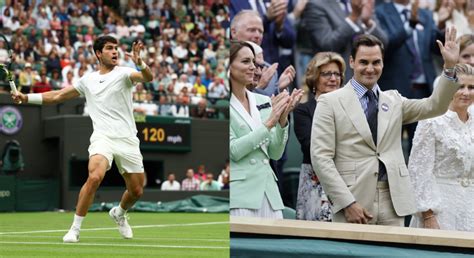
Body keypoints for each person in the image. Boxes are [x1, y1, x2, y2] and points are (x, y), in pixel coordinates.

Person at [11, 35, 153, 242]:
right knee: (95, 176)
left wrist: (140, 63)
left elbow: (148, 78)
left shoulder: (125, 74)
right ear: (98, 53)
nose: (115, 52)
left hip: (127, 139)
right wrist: (26, 97)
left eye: (116, 48)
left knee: (137, 191)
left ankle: (119, 213)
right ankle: (75, 229)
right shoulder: (88, 80)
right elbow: (58, 95)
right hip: (103, 137)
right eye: (109, 48)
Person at [311, 29, 460, 225]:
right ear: (352, 62)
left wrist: (449, 67)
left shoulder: (394, 100)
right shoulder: (329, 102)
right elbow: (321, 157)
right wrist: (346, 203)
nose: (370, 68)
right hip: (353, 201)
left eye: (376, 62)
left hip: (393, 201)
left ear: (383, 63)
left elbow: (435, 106)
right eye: (364, 62)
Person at [229, 40, 303, 218]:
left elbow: (275, 154)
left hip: (269, 195)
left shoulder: (262, 101)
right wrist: (270, 122)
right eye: (246, 61)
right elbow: (234, 151)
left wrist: (282, 120)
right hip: (239, 196)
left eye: (253, 62)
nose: (253, 67)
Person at [408, 65, 473, 231]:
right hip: (441, 210)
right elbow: (418, 171)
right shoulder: (431, 121)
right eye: (460, 87)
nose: (466, 92)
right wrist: (428, 215)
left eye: (471, 87)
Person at [294, 52, 346, 221]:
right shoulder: (303, 110)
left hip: (347, 180)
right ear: (315, 78)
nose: (333, 78)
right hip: (315, 183)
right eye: (326, 74)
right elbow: (311, 147)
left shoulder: (350, 109)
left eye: (337, 74)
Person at [300, 0, 388, 82]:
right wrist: (353, 17)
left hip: (366, 80)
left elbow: (384, 43)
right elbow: (327, 44)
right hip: (334, 81)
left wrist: (367, 22)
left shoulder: (361, 2)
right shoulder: (316, 5)